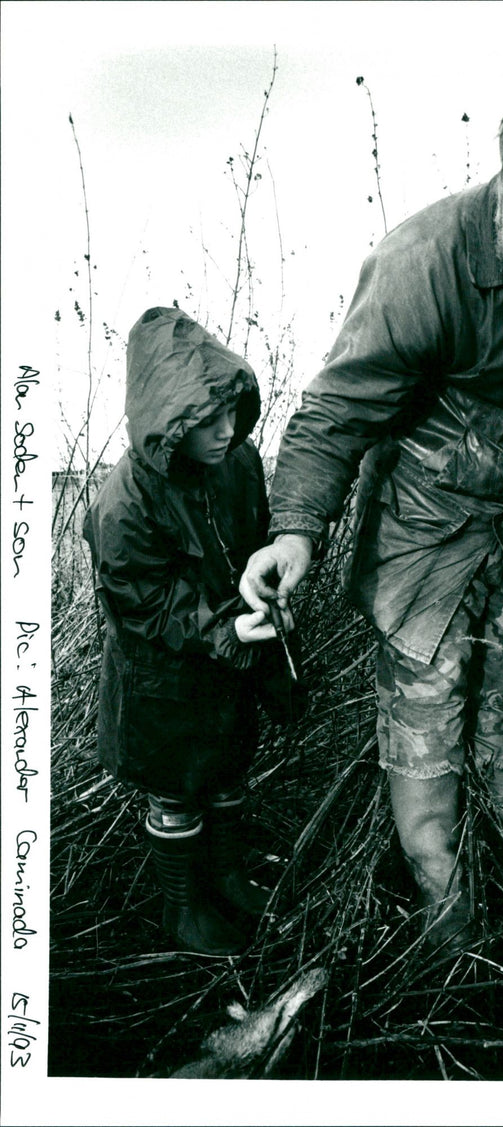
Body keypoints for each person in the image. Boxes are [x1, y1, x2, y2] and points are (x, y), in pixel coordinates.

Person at [240, 51, 503, 952]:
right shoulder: (421, 259)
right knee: (426, 714)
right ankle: (444, 896)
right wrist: (294, 532)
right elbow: (333, 413)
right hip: (424, 536)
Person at [84, 306, 296, 956]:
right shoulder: (123, 502)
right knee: (176, 789)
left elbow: (256, 543)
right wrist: (229, 627)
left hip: (230, 666)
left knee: (230, 769)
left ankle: (227, 875)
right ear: (167, 421)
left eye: (233, 413)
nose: (228, 431)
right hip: (162, 680)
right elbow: (147, 603)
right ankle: (184, 907)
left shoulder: (237, 463)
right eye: (208, 420)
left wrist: (271, 591)